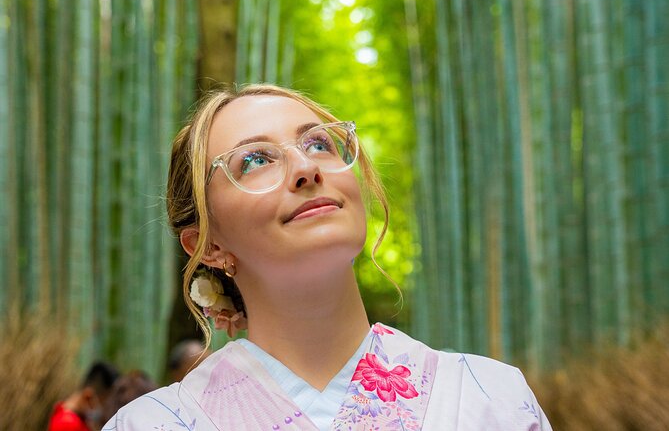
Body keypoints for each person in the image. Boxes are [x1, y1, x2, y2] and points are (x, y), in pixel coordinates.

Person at [103, 84, 552, 430]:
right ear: (208, 245)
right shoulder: (149, 424)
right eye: (256, 160)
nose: (305, 168)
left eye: (319, 144)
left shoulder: (493, 398)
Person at [48, 361, 119, 431]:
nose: (106, 411)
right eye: (104, 404)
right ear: (88, 397)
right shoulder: (67, 424)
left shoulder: (78, 420)